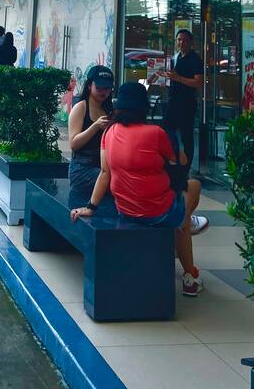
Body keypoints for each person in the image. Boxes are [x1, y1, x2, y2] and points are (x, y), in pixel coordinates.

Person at [70, 81, 209, 297]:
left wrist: (90, 207)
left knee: (179, 213)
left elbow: (105, 173)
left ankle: (184, 223)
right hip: (158, 213)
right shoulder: (156, 133)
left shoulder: (109, 132)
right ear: (144, 107)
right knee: (194, 186)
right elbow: (181, 162)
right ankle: (189, 271)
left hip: (126, 210)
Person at [67, 65, 115, 211]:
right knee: (112, 181)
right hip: (82, 169)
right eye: (99, 87)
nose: (103, 91)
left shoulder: (110, 109)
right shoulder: (81, 107)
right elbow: (73, 144)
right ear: (89, 86)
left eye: (107, 88)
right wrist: (95, 126)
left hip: (104, 166)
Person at [162, 29, 203, 172]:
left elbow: (198, 82)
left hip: (186, 104)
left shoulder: (195, 59)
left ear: (190, 42)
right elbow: (172, 77)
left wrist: (178, 78)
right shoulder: (175, 57)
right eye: (179, 40)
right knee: (166, 132)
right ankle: (169, 163)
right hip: (172, 102)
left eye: (184, 40)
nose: (181, 43)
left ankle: (186, 169)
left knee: (187, 137)